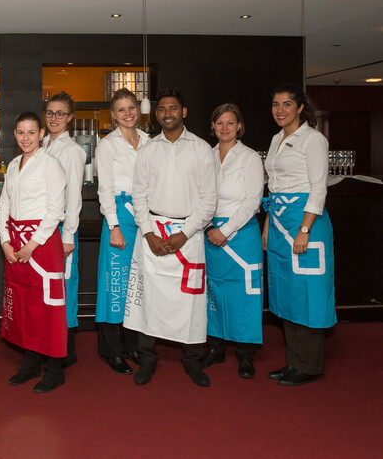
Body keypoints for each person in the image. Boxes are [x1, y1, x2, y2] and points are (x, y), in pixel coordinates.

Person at [123, 88, 217, 387]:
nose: (167, 114)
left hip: (189, 236)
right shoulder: (149, 150)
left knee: (191, 301)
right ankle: (147, 359)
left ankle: (192, 359)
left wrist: (185, 233)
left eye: (173, 108)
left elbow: (209, 199)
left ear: (184, 112)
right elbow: (138, 195)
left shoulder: (201, 148)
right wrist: (148, 232)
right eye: (162, 109)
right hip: (153, 232)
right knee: (150, 299)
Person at [262, 83, 335, 386]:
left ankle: (308, 366)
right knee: (286, 292)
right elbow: (273, 187)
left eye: (287, 104)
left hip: (306, 223)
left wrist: (304, 230)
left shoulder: (313, 139)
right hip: (279, 222)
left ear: (300, 108)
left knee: (308, 293)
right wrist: (267, 225)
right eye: (276, 104)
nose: (280, 110)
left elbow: (319, 187)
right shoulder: (278, 138)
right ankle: (294, 362)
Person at [0, 112, 67, 393]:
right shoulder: (13, 165)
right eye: (20, 132)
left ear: (41, 134)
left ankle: (54, 369)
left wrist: (32, 244)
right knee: (25, 304)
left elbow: (55, 211)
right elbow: (5, 204)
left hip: (42, 243)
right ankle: (30, 361)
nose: (25, 138)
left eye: (31, 132)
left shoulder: (51, 165)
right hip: (15, 241)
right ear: (14, 135)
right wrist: (5, 240)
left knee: (48, 309)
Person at [200, 104, 264, 378]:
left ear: (239, 126)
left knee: (244, 295)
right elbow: (200, 194)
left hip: (240, 234)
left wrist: (225, 230)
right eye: (219, 123)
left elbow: (252, 200)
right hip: (209, 231)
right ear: (213, 127)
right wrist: (209, 227)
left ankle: (245, 354)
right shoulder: (206, 156)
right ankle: (215, 347)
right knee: (213, 291)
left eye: (230, 123)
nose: (224, 128)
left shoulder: (249, 157)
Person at [94, 88, 150, 375]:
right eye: (121, 109)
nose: (127, 113)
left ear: (137, 109)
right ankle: (111, 350)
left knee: (137, 285)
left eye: (131, 107)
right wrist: (113, 226)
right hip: (119, 218)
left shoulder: (151, 142)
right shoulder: (108, 145)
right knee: (114, 283)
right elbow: (105, 189)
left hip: (146, 218)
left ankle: (132, 346)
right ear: (113, 115)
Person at [42, 92, 86, 368]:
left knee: (65, 288)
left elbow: (74, 197)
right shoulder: (43, 143)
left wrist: (68, 236)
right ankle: (50, 344)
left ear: (70, 117)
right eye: (49, 113)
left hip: (62, 229)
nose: (54, 118)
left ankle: (67, 350)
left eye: (60, 113)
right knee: (49, 287)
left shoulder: (72, 151)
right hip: (44, 228)